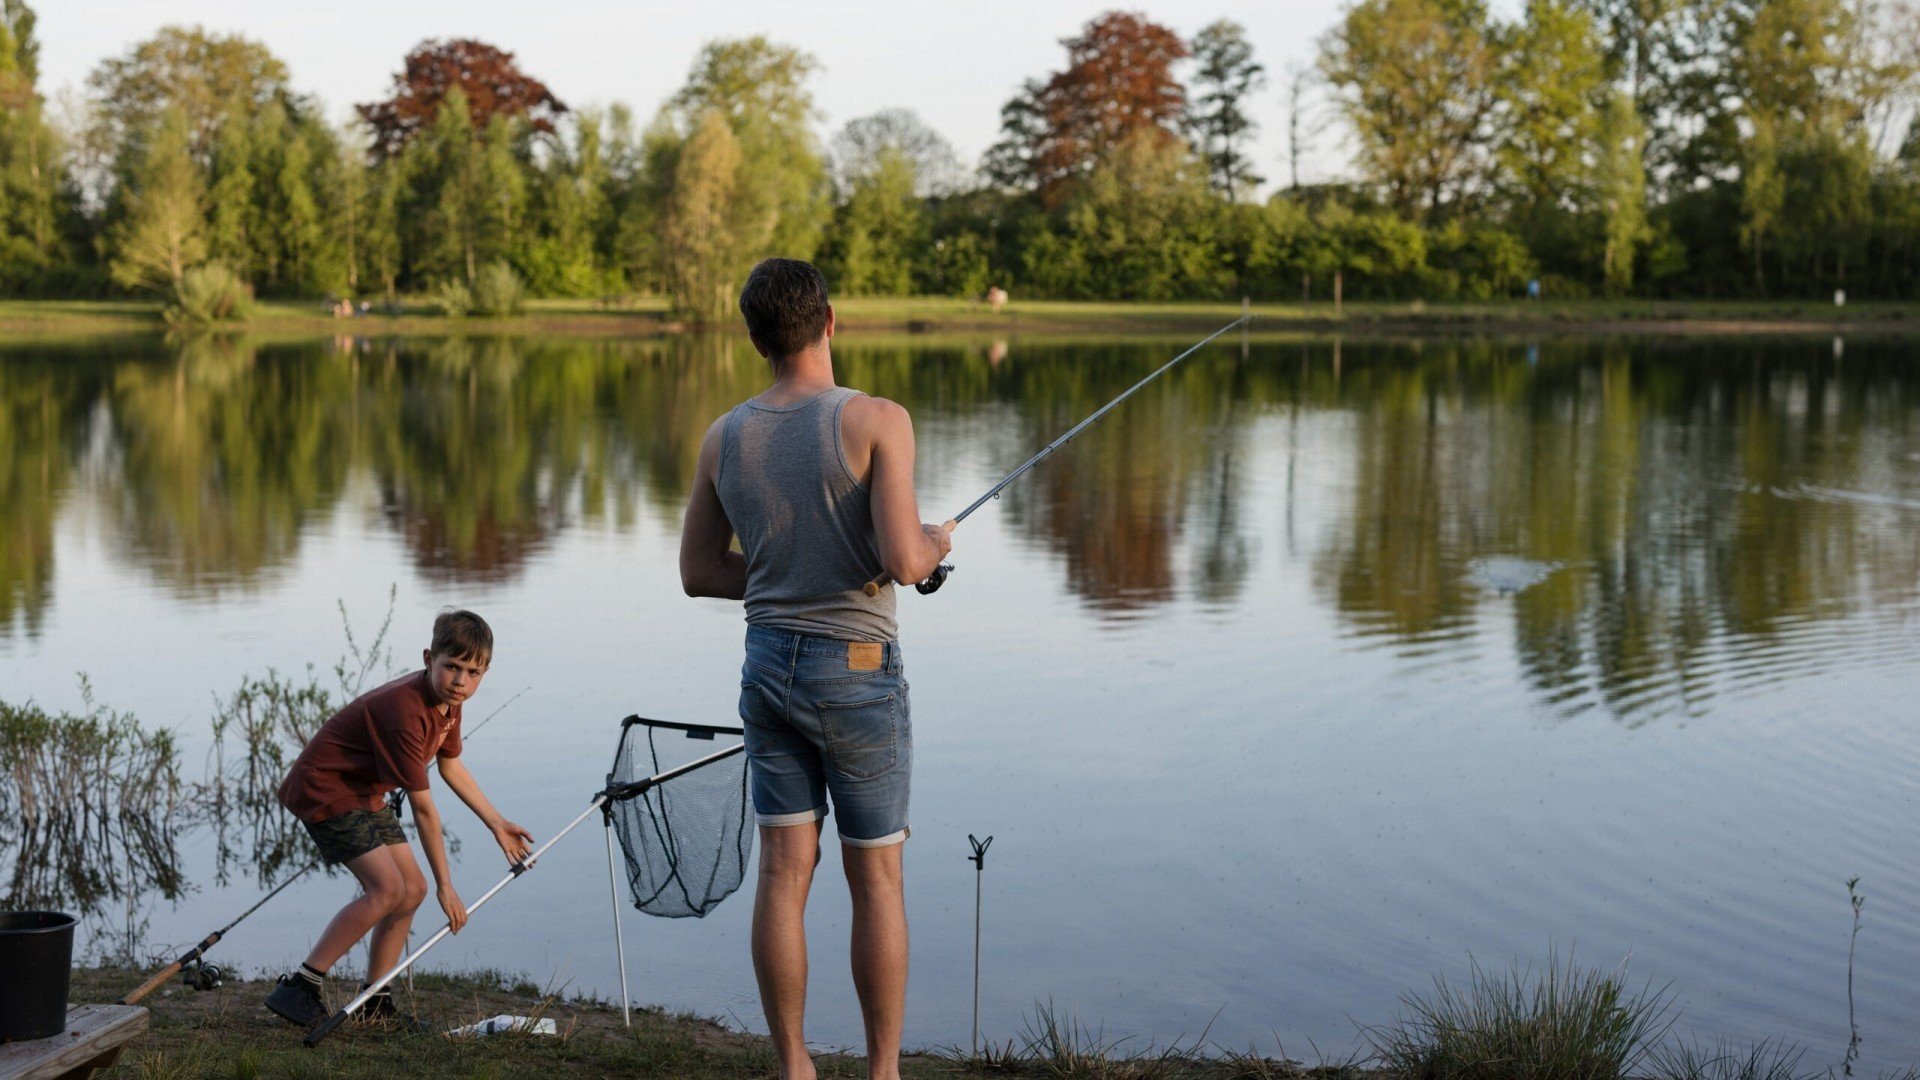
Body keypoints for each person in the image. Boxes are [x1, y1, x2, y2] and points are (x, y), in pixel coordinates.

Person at [680, 257, 951, 1080]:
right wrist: (939, 543)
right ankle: (881, 1072)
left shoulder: (724, 435)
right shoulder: (877, 419)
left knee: (783, 872)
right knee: (876, 875)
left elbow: (701, 572)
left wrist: (779, 577)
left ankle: (794, 1065)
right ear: (830, 321)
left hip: (766, 669)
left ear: (755, 337)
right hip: (858, 671)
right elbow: (906, 561)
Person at [264, 608, 533, 1031]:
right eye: (453, 667)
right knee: (387, 888)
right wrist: (449, 887)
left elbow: (452, 767)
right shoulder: (405, 712)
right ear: (429, 658)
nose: (462, 681)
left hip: (364, 791)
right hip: (326, 787)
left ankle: (375, 999)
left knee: (412, 890)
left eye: (474, 672)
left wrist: (496, 823)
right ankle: (301, 985)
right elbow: (424, 808)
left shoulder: (450, 702)